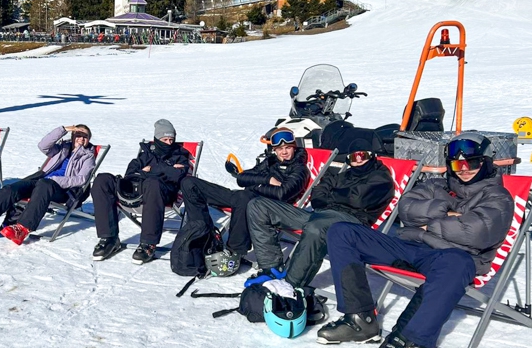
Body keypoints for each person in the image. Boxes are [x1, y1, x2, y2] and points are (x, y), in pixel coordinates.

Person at [318, 132, 514, 348]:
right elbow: (405, 208)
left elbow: (476, 233)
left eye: (471, 163)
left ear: (486, 162)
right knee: (342, 232)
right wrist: (447, 212)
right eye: (457, 164)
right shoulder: (437, 185)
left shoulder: (499, 197)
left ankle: (406, 336)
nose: (464, 169)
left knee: (458, 263)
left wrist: (426, 225)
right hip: (410, 247)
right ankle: (359, 320)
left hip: (449, 257)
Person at [246, 139, 394, 322]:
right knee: (258, 205)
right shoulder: (344, 175)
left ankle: (290, 285)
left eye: (362, 155)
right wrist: (333, 197)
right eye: (353, 157)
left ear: (371, 155)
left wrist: (330, 196)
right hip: (321, 216)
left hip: (349, 223)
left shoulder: (381, 178)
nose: (358, 160)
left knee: (316, 228)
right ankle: (271, 268)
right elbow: (317, 193)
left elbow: (357, 200)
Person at [179, 126, 309, 261]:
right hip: (244, 199)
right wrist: (267, 179)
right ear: (274, 150)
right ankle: (202, 238)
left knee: (243, 196)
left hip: (266, 207)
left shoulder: (299, 170)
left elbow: (282, 194)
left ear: (294, 148)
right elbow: (241, 178)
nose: (284, 152)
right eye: (280, 149)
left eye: (288, 147)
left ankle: (235, 252)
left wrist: (254, 186)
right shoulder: (270, 162)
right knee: (190, 183)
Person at [0, 125, 95, 245]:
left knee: (45, 184)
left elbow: (81, 179)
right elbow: (43, 145)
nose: (81, 138)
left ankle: (22, 229)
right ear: (72, 136)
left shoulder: (88, 156)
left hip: (62, 190)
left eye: (85, 136)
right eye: (78, 135)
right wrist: (63, 129)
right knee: (10, 189)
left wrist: (54, 180)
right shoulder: (61, 148)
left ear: (89, 139)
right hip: (41, 182)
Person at [91, 119, 190, 264]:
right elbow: (131, 171)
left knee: (152, 183)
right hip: (136, 189)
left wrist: (150, 171)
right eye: (165, 139)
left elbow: (177, 175)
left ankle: (148, 244)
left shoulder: (180, 155)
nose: (169, 143)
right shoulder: (147, 153)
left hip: (162, 192)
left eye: (171, 139)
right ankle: (109, 238)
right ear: (157, 139)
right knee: (102, 180)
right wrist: (163, 170)